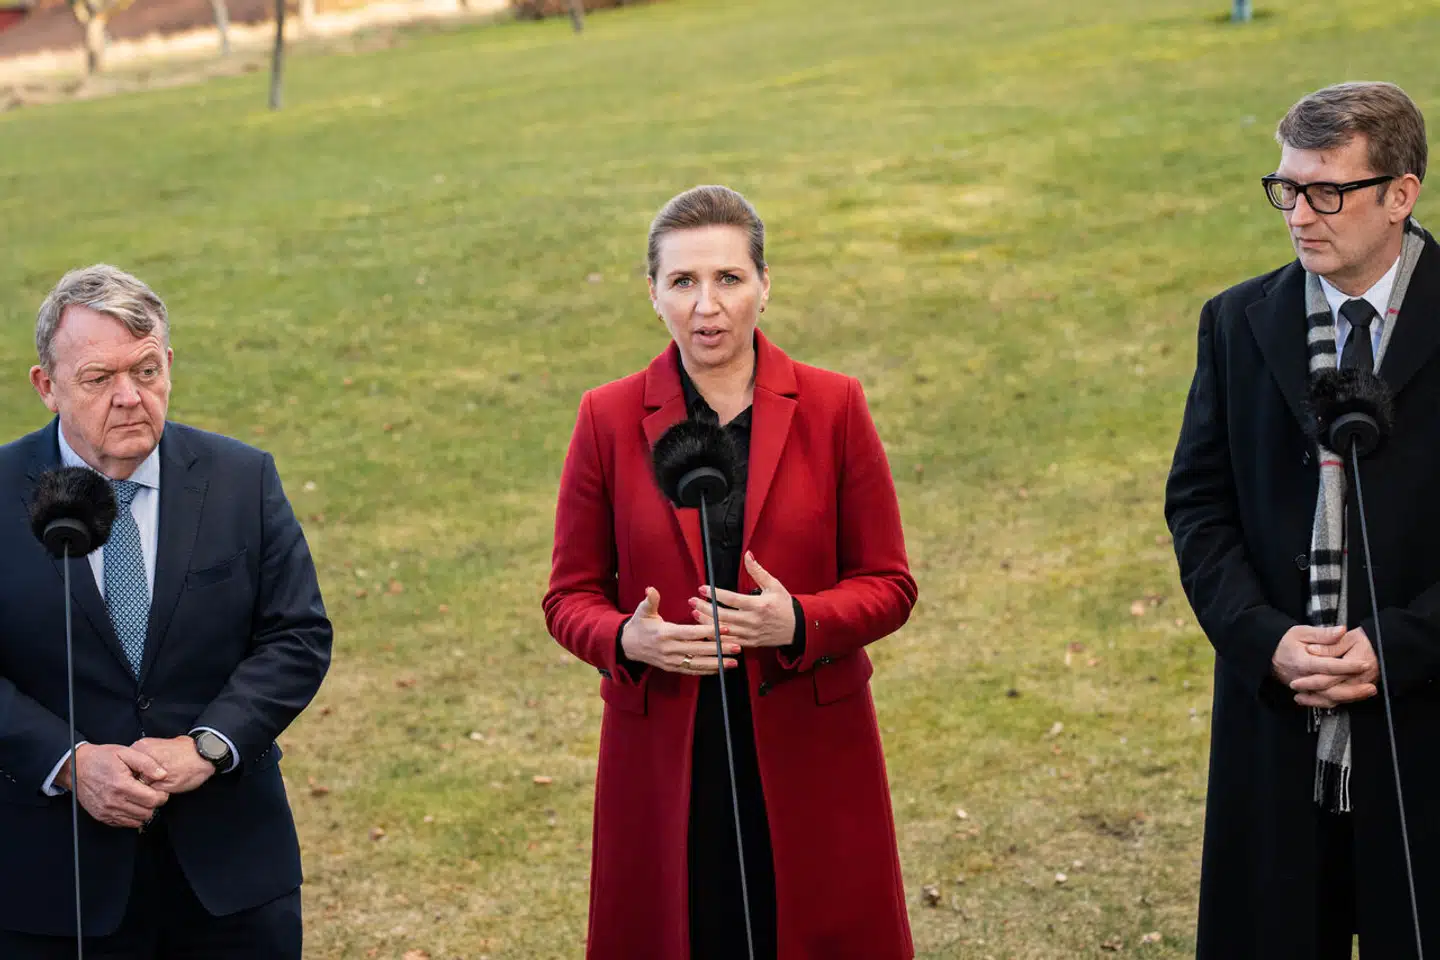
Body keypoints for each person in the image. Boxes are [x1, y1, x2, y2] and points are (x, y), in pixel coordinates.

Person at [544, 185, 918, 960]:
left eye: (727, 279)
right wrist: (626, 638)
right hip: (666, 754)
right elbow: (568, 596)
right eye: (682, 282)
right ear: (652, 295)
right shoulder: (605, 418)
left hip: (810, 745)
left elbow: (889, 582)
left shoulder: (835, 405)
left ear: (764, 284)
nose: (706, 306)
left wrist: (800, 622)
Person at [1166, 82, 1440, 959]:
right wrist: (1263, 637)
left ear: (1401, 195)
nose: (1299, 214)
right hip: (1277, 720)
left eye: (1328, 191)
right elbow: (1199, 505)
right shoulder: (1237, 321)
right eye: (1287, 187)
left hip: (1428, 722)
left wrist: (1401, 645)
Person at [0, 264, 333, 958]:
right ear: (46, 386)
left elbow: (295, 637)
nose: (129, 397)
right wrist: (68, 761)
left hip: (231, 881)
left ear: (170, 364)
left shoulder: (242, 479)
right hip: (53, 889)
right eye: (98, 379)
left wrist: (206, 747)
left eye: (146, 371)